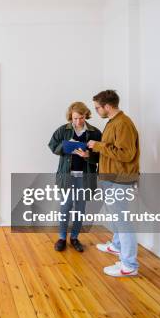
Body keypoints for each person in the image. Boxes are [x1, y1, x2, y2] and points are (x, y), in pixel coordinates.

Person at [87, 90, 140, 277]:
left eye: (97, 108)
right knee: (117, 216)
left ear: (107, 106)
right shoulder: (113, 122)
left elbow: (126, 154)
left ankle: (129, 266)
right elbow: (111, 151)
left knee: (123, 221)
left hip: (120, 179)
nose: (96, 111)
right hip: (110, 178)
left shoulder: (123, 124)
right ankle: (117, 246)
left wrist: (98, 146)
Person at [48, 102, 102, 252]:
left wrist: (88, 156)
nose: (78, 122)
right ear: (71, 116)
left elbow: (101, 157)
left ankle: (75, 238)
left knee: (80, 208)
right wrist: (65, 148)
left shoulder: (95, 133)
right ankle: (61, 238)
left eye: (81, 118)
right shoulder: (63, 130)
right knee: (65, 207)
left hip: (84, 177)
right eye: (75, 118)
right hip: (67, 176)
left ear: (86, 116)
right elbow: (52, 146)